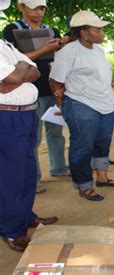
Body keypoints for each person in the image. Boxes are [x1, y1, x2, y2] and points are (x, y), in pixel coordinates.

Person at [0, 0, 58, 253]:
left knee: (26, 170)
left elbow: (33, 71)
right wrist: (22, 68)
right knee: (10, 174)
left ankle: (25, 215)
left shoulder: (4, 44)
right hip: (7, 115)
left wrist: (22, 68)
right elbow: (13, 77)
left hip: (26, 113)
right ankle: (13, 230)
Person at [49, 10, 114, 201]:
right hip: (81, 104)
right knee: (82, 146)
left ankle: (102, 177)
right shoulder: (69, 52)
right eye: (97, 29)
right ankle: (84, 185)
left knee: (102, 142)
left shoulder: (98, 49)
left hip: (105, 104)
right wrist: (65, 103)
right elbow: (55, 80)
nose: (102, 33)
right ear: (83, 32)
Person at [3, 0, 68, 194]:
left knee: (56, 132)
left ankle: (59, 167)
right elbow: (16, 62)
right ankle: (34, 179)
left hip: (51, 88)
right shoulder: (11, 30)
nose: (39, 12)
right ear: (21, 7)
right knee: (34, 138)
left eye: (42, 8)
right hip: (29, 91)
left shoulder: (51, 30)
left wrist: (62, 45)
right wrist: (45, 50)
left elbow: (58, 59)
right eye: (34, 8)